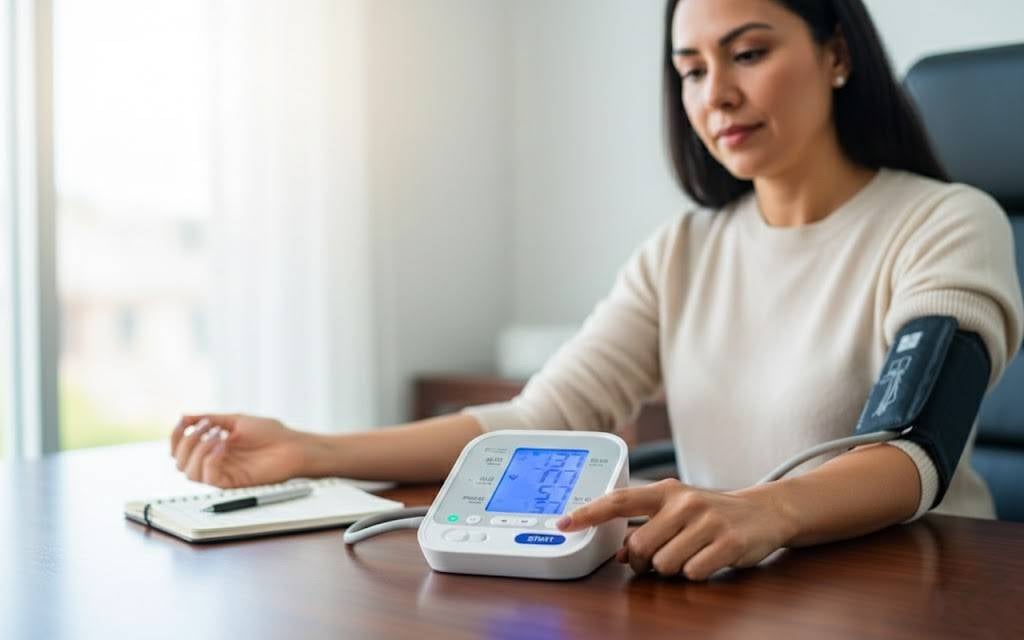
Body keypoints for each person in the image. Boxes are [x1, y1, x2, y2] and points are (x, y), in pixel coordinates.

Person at [169, 0, 1024, 580]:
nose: (715, 93)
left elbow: (912, 446)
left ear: (836, 54)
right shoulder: (683, 251)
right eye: (689, 69)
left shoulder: (946, 221)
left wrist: (766, 510)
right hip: (730, 585)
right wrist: (313, 451)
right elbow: (538, 419)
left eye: (750, 53)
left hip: (910, 585)